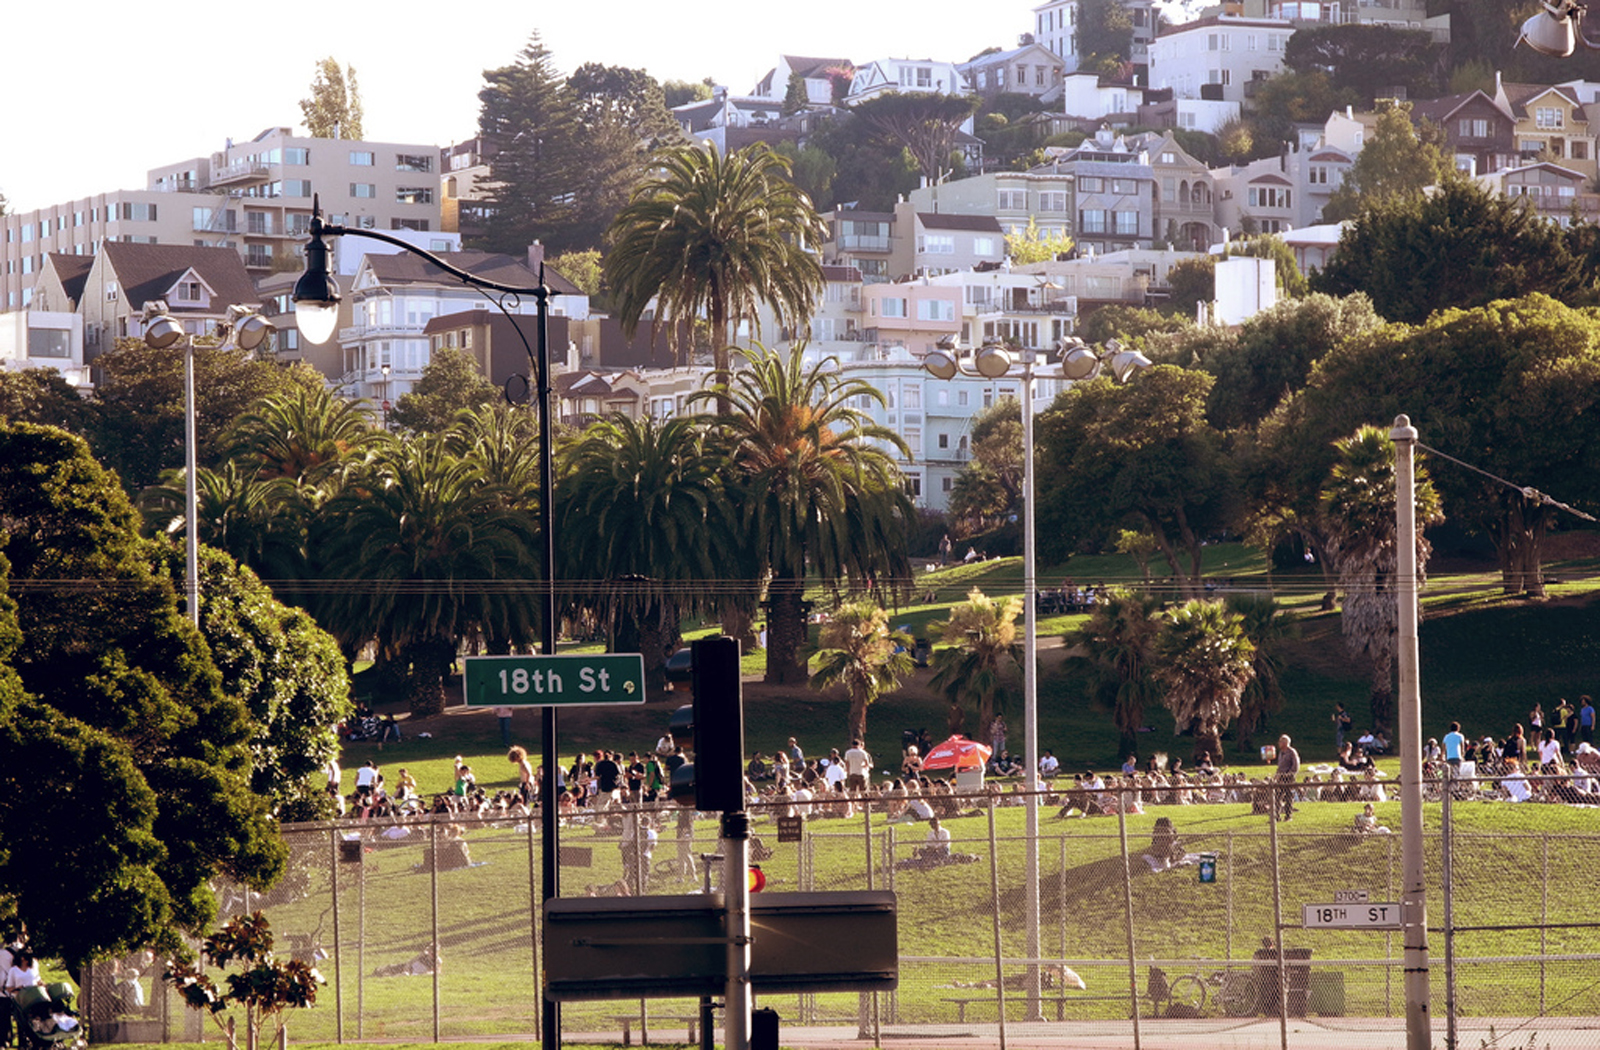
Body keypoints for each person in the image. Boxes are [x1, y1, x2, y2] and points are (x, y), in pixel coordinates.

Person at [1275, 735, 1300, 821]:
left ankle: (1288, 816)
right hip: (1280, 778)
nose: (1278, 743)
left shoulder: (1292, 752)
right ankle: (1277, 816)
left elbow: (1295, 766)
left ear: (1285, 743)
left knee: (1289, 797)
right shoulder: (1281, 753)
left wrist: (1288, 774)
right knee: (1277, 797)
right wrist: (1277, 775)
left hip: (1289, 778)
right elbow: (1280, 766)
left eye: (1280, 741)